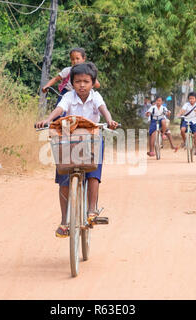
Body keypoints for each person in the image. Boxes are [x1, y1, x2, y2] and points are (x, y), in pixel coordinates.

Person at [35, 62, 118, 238]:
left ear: (93, 83)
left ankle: (92, 210)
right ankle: (65, 221)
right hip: (69, 139)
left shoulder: (96, 97)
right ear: (72, 82)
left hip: (91, 139)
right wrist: (47, 120)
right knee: (64, 176)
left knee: (94, 173)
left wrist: (110, 121)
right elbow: (59, 109)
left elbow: (104, 110)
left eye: (86, 81)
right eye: (78, 81)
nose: (82, 85)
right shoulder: (68, 97)